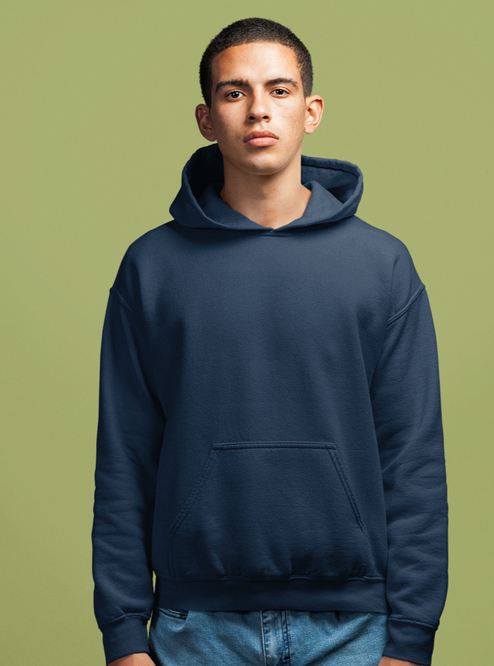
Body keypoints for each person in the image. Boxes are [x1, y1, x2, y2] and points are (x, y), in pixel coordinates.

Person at [92, 17, 448, 666]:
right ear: (206, 119)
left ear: (311, 111)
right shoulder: (151, 268)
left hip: (354, 630)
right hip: (194, 628)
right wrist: (121, 635)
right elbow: (125, 456)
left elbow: (413, 459)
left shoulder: (382, 266)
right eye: (235, 93)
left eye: (279, 90)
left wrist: (411, 636)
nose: (258, 109)